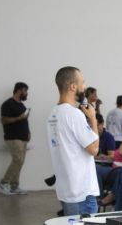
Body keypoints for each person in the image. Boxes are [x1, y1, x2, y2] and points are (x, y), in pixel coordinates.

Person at [47, 66, 100, 216]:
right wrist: (93, 119)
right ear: (73, 86)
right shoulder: (74, 114)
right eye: (82, 82)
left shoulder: (52, 114)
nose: (84, 86)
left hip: (66, 190)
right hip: (82, 192)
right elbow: (94, 149)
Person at [0, 82, 30, 195]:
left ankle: (14, 186)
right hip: (13, 137)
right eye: (26, 91)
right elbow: (3, 120)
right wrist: (19, 118)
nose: (27, 94)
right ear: (20, 90)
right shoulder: (7, 104)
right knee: (18, 160)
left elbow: (24, 120)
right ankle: (4, 182)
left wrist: (28, 132)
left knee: (20, 162)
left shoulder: (21, 105)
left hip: (23, 138)